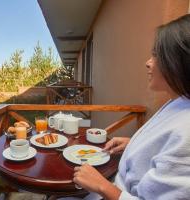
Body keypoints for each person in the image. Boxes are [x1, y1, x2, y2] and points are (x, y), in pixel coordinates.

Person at [62, 14, 190, 200]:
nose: (148, 63)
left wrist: (102, 186)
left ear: (178, 62)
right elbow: (164, 152)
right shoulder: (179, 102)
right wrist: (133, 145)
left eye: (156, 55)